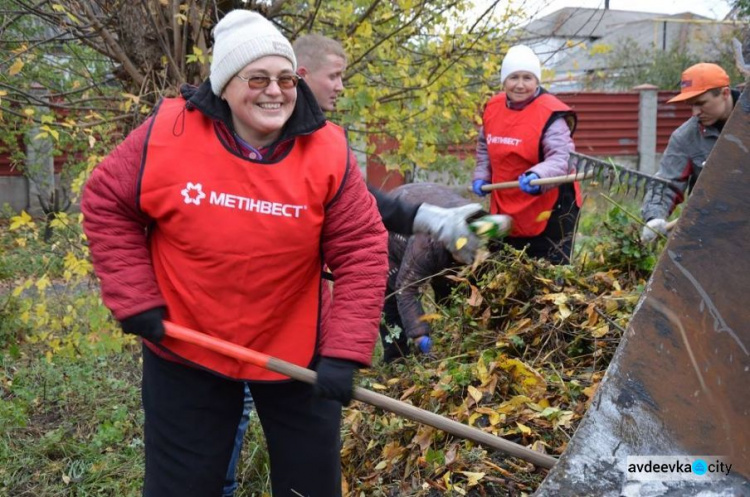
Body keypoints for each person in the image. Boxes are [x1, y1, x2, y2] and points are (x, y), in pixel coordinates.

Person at [81, 10, 389, 497]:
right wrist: (135, 297)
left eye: (286, 78)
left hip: (297, 350)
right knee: (183, 487)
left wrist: (345, 350)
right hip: (188, 346)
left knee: (309, 486)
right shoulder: (167, 134)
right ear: (224, 84)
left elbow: (362, 249)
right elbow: (106, 203)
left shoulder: (327, 150)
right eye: (258, 78)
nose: (275, 91)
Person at [293, 33, 483, 265]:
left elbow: (362, 200)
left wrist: (434, 218)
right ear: (303, 75)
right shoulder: (271, 133)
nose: (340, 87)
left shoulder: (326, 138)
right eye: (333, 76)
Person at [472, 44, 582, 264]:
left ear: (537, 81)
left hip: (549, 207)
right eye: (514, 77)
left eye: (527, 78)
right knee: (502, 274)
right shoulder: (493, 108)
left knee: (546, 277)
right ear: (504, 80)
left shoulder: (550, 113)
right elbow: (486, 146)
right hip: (506, 201)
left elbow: (563, 158)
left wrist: (538, 176)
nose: (520, 85)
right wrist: (481, 174)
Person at [378, 183, 510, 363]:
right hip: (392, 230)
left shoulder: (483, 232)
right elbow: (406, 290)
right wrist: (420, 335)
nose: (472, 260)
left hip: (439, 227)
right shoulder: (426, 244)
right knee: (392, 298)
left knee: (450, 290)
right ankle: (397, 359)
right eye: (468, 255)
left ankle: (447, 343)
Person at [640, 62, 738, 243]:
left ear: (724, 93)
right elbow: (667, 183)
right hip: (713, 234)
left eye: (701, 104)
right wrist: (654, 217)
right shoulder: (686, 137)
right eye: (691, 105)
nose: (695, 112)